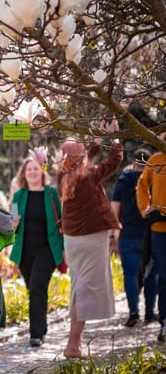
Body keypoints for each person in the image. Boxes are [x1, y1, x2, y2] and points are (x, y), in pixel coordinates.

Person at [55, 123, 122, 358]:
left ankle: (75, 343)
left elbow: (83, 160)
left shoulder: (62, 172)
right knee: (83, 290)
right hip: (91, 237)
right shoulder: (89, 175)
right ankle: (73, 344)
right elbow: (113, 162)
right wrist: (116, 140)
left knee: (78, 287)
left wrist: (96, 142)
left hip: (73, 239)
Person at [9, 154, 65, 347]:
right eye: (29, 169)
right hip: (24, 251)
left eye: (35, 168)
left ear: (42, 172)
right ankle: (42, 324)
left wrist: (64, 248)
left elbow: (61, 222)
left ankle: (35, 335)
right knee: (34, 289)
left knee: (36, 287)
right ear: (24, 174)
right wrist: (12, 223)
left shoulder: (51, 193)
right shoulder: (18, 196)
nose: (32, 172)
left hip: (47, 249)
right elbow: (12, 222)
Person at [111, 148, 158, 327]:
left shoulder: (123, 181)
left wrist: (112, 235)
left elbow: (115, 210)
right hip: (150, 233)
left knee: (130, 274)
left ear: (133, 162)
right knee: (151, 275)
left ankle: (133, 313)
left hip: (128, 234)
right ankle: (149, 313)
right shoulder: (154, 180)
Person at [136, 134, 166, 343]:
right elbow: (141, 185)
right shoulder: (156, 160)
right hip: (159, 229)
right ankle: (164, 322)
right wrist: (145, 209)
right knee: (164, 277)